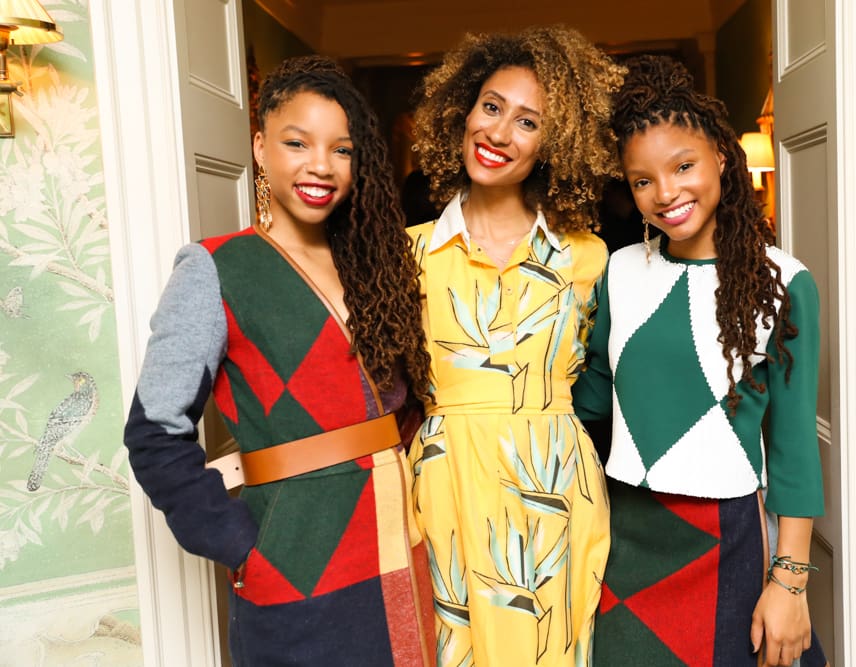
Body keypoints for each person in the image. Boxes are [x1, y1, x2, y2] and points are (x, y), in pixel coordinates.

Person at [123, 55, 435, 666]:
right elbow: (154, 433)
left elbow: (403, 409)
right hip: (294, 562)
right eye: (297, 143)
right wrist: (242, 546)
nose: (321, 165)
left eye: (341, 150)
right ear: (260, 148)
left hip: (399, 546)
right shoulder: (216, 268)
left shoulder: (376, 266)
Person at [572, 55, 828, 667]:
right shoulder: (619, 270)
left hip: (727, 536)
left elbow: (793, 447)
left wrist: (790, 583)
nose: (665, 194)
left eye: (683, 166)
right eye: (642, 181)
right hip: (623, 535)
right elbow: (587, 402)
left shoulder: (784, 282)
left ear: (721, 155)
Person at [405, 25, 625, 667]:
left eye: (527, 122)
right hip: (445, 488)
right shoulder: (407, 253)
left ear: (554, 144)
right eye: (491, 107)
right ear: (462, 112)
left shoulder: (588, 258)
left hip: (553, 493)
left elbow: (608, 383)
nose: (499, 133)